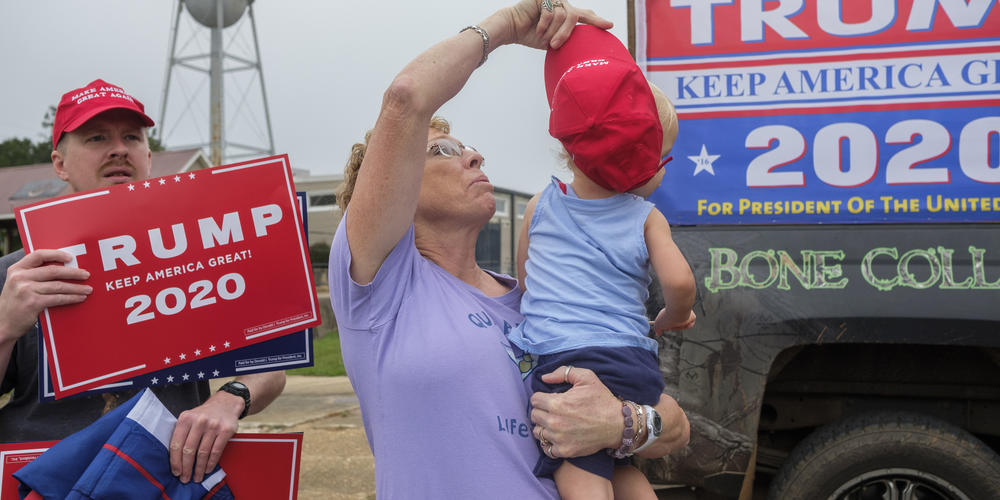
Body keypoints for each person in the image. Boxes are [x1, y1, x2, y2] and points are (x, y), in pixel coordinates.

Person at [328, 1, 690, 497]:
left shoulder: (539, 300)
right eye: (442, 150)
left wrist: (623, 424)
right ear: (395, 188)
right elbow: (407, 98)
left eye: (468, 146)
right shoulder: (378, 291)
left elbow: (676, 426)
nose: (474, 154)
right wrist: (510, 26)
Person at [0, 78, 286, 485]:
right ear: (59, 163)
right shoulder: (17, 272)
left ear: (148, 157)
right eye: (96, 137)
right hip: (41, 478)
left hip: (162, 474)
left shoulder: (200, 253)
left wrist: (231, 397)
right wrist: (5, 327)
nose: (119, 148)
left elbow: (271, 365)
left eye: (132, 137)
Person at [506, 26, 696, 500]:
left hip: (563, 360)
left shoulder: (540, 206)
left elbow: (528, 280)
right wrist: (674, 316)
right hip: (632, 362)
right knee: (623, 467)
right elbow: (679, 282)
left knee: (580, 471)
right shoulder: (647, 217)